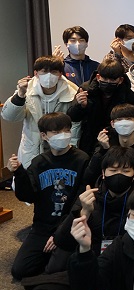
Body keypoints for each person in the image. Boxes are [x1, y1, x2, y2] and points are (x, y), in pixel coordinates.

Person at [26, 146, 134, 290]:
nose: (118, 175)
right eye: (113, 170)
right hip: (88, 263)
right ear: (103, 173)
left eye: (125, 171)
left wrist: (103, 283)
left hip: (122, 271)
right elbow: (62, 240)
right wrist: (84, 212)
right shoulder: (90, 196)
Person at [7, 112, 89, 280]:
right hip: (42, 227)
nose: (63, 135)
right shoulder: (39, 162)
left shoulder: (82, 159)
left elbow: (79, 202)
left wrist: (60, 235)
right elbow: (27, 196)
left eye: (67, 130)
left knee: (59, 270)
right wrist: (19, 172)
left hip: (69, 225)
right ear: (44, 136)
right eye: (56, 132)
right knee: (20, 270)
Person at [2, 55, 80, 167]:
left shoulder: (72, 93)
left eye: (53, 72)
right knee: (31, 177)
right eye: (44, 71)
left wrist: (72, 147)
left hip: (62, 149)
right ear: (36, 73)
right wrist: (20, 95)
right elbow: (9, 116)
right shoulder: (27, 90)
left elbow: (75, 126)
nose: (49, 75)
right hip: (32, 149)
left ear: (60, 74)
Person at [67, 58, 134, 154]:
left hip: (116, 139)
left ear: (120, 80)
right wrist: (81, 106)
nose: (108, 82)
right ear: (98, 77)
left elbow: (133, 119)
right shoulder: (86, 89)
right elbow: (72, 117)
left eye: (113, 79)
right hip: (89, 137)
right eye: (105, 79)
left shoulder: (128, 95)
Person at [83, 103, 134, 184]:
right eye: (119, 119)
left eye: (128, 119)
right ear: (112, 124)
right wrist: (104, 150)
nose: (124, 123)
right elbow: (89, 177)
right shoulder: (105, 144)